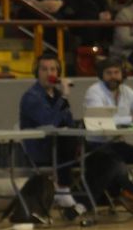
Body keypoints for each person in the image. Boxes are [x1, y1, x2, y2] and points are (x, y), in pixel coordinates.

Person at [82, 57, 133, 211]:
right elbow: (102, 121)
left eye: (116, 72)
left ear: (122, 74)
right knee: (117, 164)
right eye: (109, 73)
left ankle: (129, 194)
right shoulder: (94, 92)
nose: (113, 76)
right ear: (101, 75)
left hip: (118, 144)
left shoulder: (127, 91)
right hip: (96, 146)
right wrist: (131, 118)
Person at [18, 55, 88, 218]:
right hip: (41, 148)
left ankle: (84, 203)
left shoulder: (56, 95)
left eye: (53, 69)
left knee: (98, 153)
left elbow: (68, 122)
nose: (49, 73)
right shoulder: (31, 97)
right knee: (65, 139)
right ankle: (63, 189)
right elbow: (50, 122)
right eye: (44, 69)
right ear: (37, 72)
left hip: (61, 148)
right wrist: (64, 98)